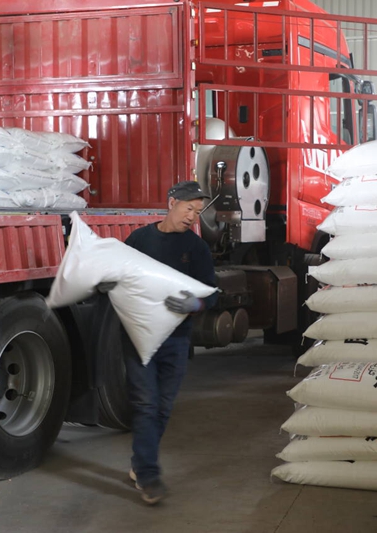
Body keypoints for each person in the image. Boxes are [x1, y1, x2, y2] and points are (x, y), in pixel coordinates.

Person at [113, 181, 217, 505]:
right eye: (189, 208)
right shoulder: (140, 240)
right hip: (140, 337)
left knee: (163, 406)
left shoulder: (196, 248)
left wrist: (196, 304)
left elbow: (211, 292)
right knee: (146, 403)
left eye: (197, 212)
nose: (192, 216)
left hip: (176, 339)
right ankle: (148, 474)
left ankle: (139, 462)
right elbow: (119, 275)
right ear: (172, 203)